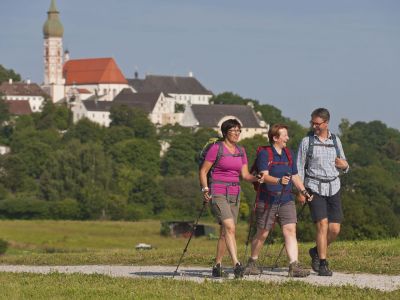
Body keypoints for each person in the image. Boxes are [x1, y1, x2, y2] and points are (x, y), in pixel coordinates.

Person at [244, 124, 311, 277]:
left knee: (290, 230)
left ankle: (294, 265)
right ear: (275, 138)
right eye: (284, 135)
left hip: (286, 199)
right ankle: (252, 262)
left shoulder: (288, 153)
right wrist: (279, 181)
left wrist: (303, 191)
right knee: (263, 232)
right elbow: (263, 176)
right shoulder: (265, 154)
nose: (287, 138)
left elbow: (294, 175)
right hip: (267, 199)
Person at [199, 118, 259, 279]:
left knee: (225, 233)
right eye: (233, 131)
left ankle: (217, 266)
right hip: (218, 191)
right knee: (230, 227)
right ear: (225, 132)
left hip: (235, 192)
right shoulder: (216, 149)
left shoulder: (241, 150)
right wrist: (205, 188)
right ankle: (237, 264)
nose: (237, 134)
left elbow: (245, 175)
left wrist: (257, 178)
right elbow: (204, 171)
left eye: (239, 131)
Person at [297, 108, 349, 276]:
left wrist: (345, 166)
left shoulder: (336, 140)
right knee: (322, 225)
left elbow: (344, 163)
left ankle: (315, 251)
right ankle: (323, 263)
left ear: (326, 123)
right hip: (314, 187)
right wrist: (301, 191)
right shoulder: (307, 142)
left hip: (333, 186)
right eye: (312, 122)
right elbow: (299, 168)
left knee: (334, 229)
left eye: (317, 123)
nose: (314, 126)